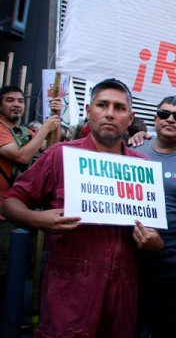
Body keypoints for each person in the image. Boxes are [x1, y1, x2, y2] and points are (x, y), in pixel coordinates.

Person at [3, 78, 163, 337]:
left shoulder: (143, 166)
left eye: (119, 108)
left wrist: (153, 241)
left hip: (122, 296)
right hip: (69, 295)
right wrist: (38, 220)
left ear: (131, 117)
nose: (110, 113)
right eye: (102, 105)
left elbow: (156, 239)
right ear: (89, 111)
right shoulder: (59, 155)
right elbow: (11, 202)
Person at [134, 96, 176, 338]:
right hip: (131, 262)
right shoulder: (134, 149)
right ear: (155, 118)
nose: (170, 118)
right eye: (164, 113)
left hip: (175, 267)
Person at [0, 85, 61, 317]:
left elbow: (52, 150)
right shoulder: (1, 129)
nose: (16, 104)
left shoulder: (24, 132)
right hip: (4, 217)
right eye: (9, 100)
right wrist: (46, 127)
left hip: (26, 213)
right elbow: (21, 156)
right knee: (8, 274)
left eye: (20, 100)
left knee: (27, 271)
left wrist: (55, 117)